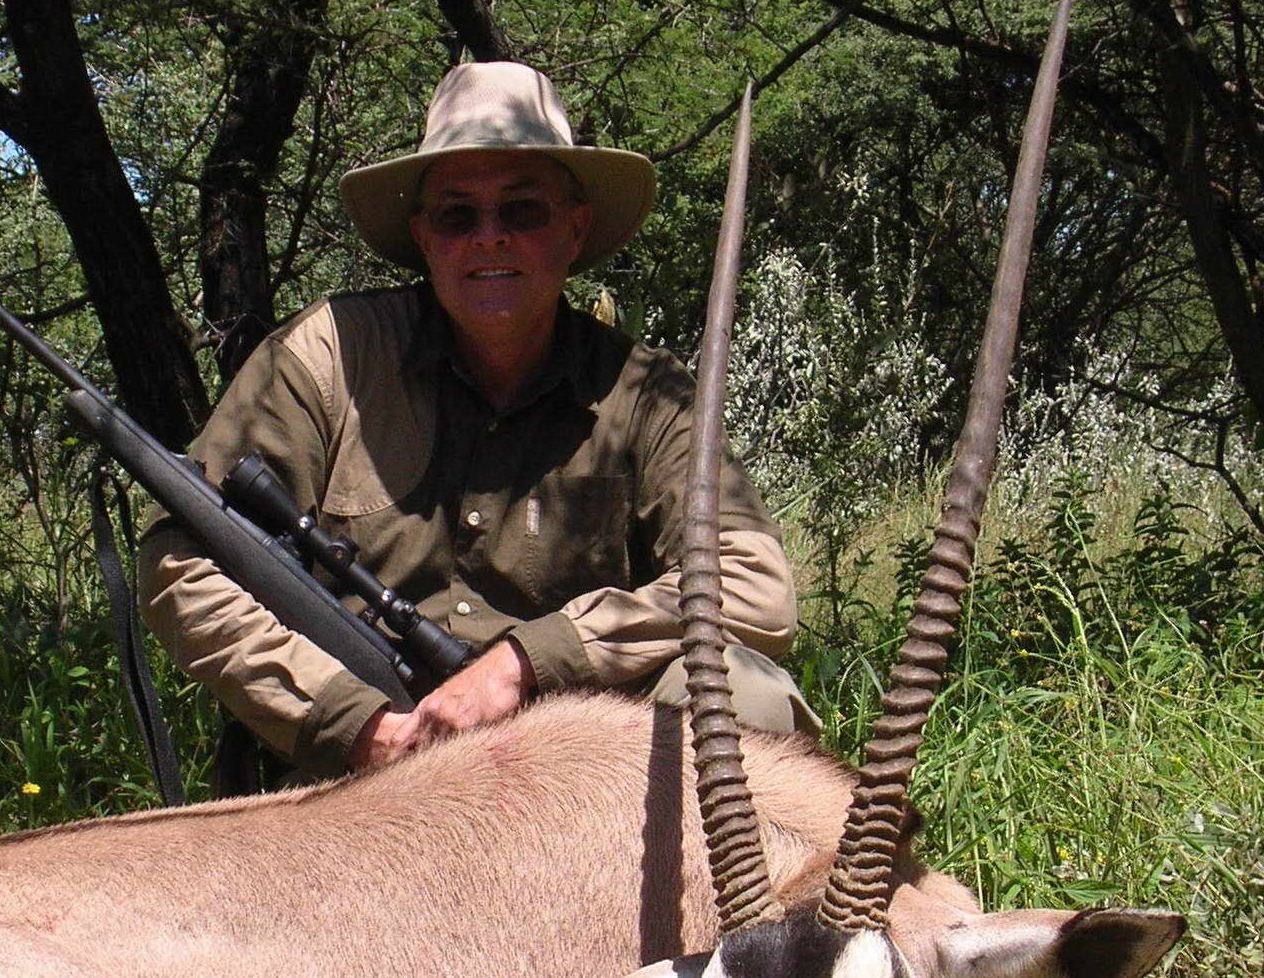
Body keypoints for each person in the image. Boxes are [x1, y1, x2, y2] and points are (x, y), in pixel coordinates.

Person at [138, 59, 805, 781]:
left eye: (523, 210)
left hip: (578, 779)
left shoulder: (644, 393)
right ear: (425, 238)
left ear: (574, 229)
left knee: (749, 694)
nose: (490, 237)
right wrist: (353, 724)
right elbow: (181, 561)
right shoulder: (329, 357)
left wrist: (527, 664)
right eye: (459, 215)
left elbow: (756, 586)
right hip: (359, 782)